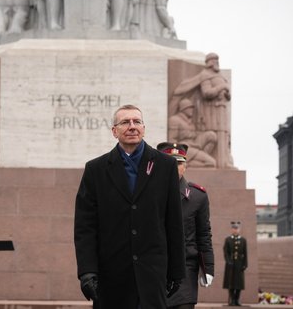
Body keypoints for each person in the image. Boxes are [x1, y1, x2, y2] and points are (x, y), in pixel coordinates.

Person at [74, 104, 186, 308]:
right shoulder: (95, 169)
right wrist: (87, 271)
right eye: (125, 122)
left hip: (152, 274)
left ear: (144, 128)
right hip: (111, 276)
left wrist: (177, 271)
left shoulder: (166, 166)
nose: (132, 126)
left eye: (137, 121)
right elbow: (85, 226)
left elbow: (173, 222)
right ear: (114, 131)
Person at [157, 142, 214, 309]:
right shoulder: (145, 193)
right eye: (170, 163)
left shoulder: (197, 196)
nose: (175, 168)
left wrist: (208, 268)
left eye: (179, 163)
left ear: (185, 166)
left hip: (185, 271)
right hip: (154, 269)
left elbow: (204, 234)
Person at [222, 221, 248, 306]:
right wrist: (228, 261)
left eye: (237, 228)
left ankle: (237, 300)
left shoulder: (243, 240)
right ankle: (232, 300)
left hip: (239, 264)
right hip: (230, 264)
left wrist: (245, 264)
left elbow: (245, 253)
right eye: (234, 228)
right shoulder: (228, 239)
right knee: (231, 283)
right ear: (231, 229)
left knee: (239, 283)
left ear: (239, 229)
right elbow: (226, 252)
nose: (235, 230)